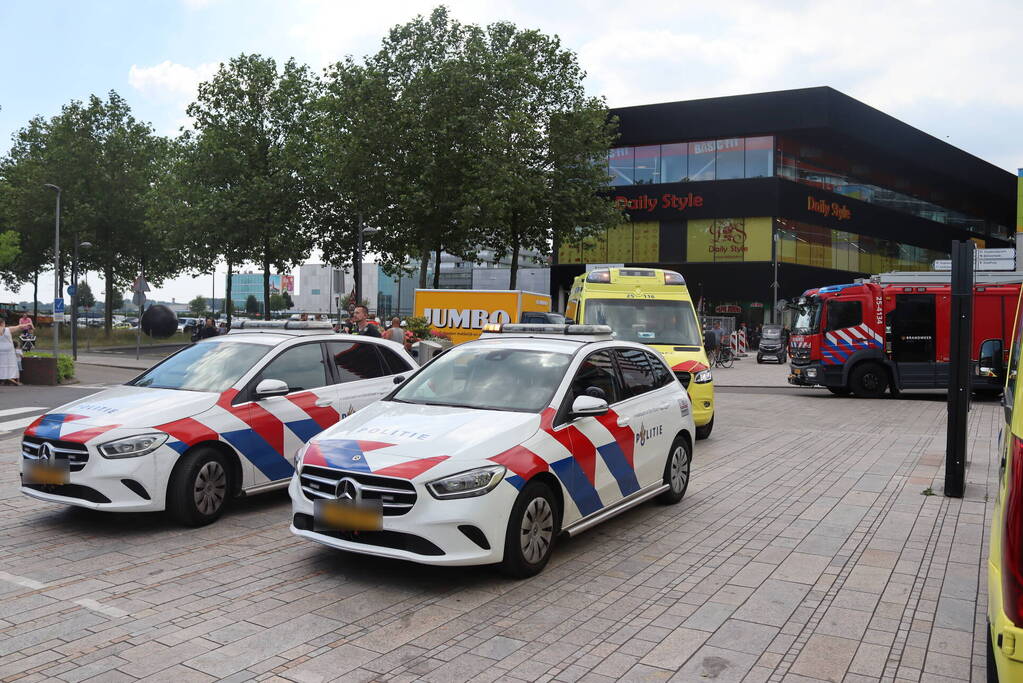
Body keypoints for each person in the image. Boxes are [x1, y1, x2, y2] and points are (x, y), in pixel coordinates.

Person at [0, 317, 32, 385]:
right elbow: (19, 327)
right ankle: (10, 378)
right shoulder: (7, 329)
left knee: (1, 364)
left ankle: (2, 379)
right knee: (10, 365)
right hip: (9, 351)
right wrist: (28, 323)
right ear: (3, 323)